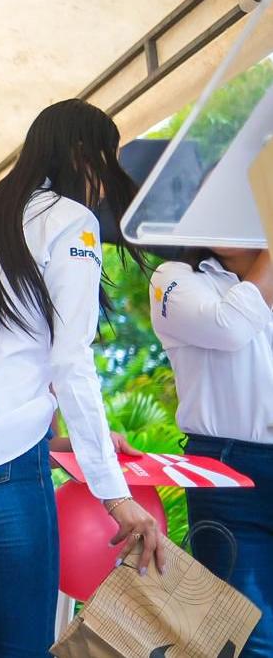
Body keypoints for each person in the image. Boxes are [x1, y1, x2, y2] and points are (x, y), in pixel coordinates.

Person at [0, 99, 164, 656]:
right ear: (85, 156)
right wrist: (114, 496)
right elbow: (71, 362)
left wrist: (62, 440)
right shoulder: (69, 220)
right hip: (10, 465)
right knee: (23, 644)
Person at [149, 246, 273, 655]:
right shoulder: (174, 279)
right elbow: (230, 326)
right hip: (227, 472)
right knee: (247, 638)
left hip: (231, 469)